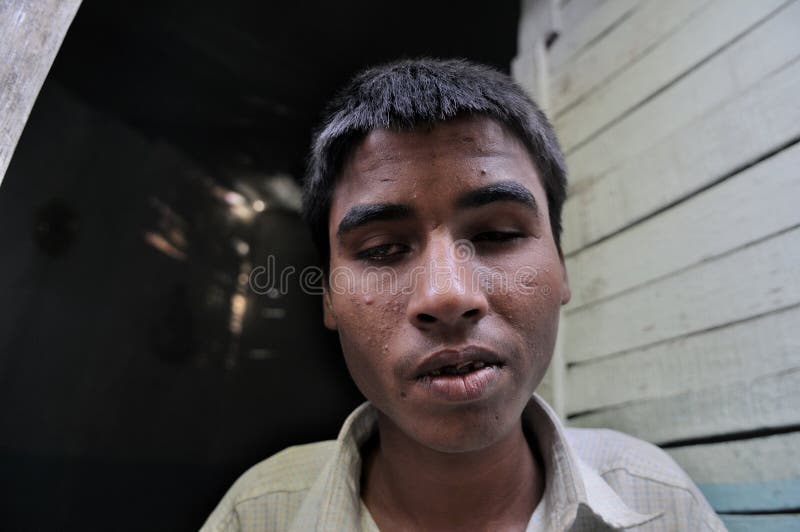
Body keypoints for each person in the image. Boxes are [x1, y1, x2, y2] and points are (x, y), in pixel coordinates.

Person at [201, 58, 725, 531]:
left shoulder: (660, 503)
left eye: (497, 235)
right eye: (382, 249)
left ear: (561, 266)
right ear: (329, 298)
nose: (447, 295)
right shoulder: (258, 514)